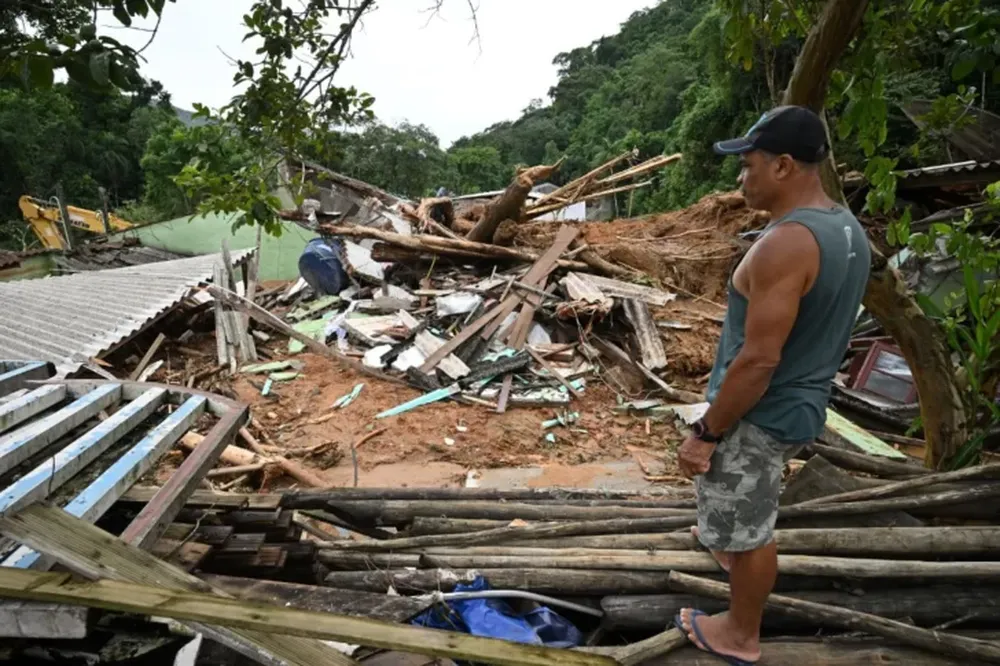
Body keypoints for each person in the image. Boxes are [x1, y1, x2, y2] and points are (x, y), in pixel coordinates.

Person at [673, 105, 871, 665]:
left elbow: (759, 361)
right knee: (745, 511)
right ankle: (726, 545)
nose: (742, 177)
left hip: (760, 411)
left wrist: (707, 432)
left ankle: (740, 632)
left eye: (749, 165)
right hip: (802, 403)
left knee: (753, 531)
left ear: (784, 166)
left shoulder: (788, 242)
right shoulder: (845, 228)